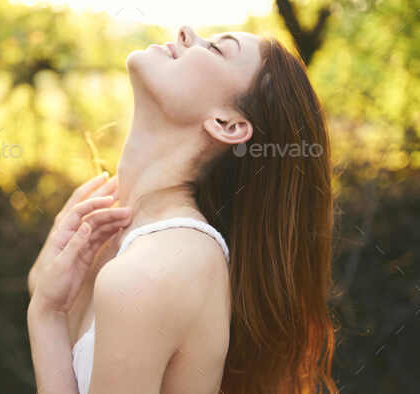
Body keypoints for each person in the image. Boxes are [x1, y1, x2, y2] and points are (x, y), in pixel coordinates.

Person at [27, 25, 338, 394]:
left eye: (219, 49)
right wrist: (43, 294)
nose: (187, 32)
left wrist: (46, 315)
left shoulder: (158, 268)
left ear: (228, 124)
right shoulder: (108, 242)